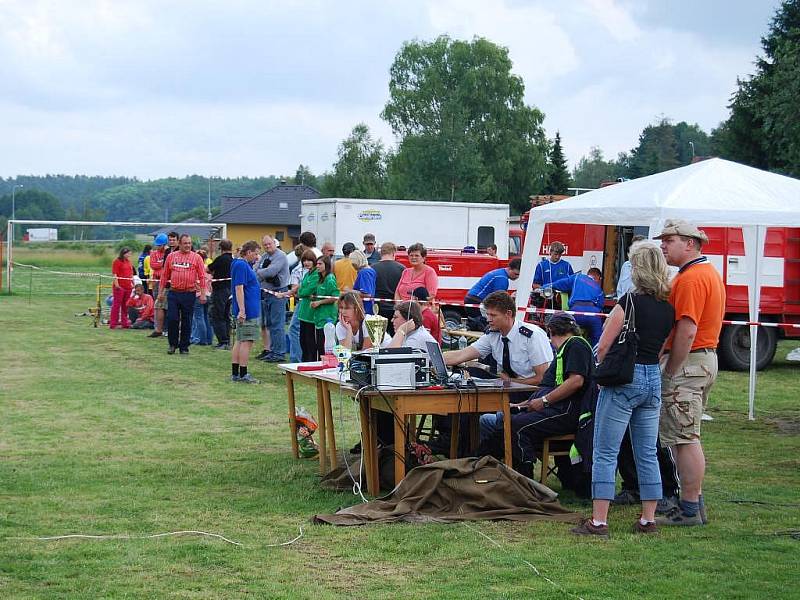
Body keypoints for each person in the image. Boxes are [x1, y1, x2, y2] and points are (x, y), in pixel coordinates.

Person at [571, 242, 675, 538]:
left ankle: (599, 521)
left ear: (637, 269)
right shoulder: (667, 308)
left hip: (623, 380)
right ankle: (648, 518)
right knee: (647, 452)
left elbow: (603, 345)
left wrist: (599, 369)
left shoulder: (628, 302)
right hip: (652, 377)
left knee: (605, 450)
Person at [655, 220, 725, 527]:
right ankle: (693, 502)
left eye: (669, 240)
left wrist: (671, 368)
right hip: (702, 360)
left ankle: (689, 507)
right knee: (686, 434)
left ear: (690, 244)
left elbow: (687, 328)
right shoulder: (704, 273)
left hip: (689, 362)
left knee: (684, 437)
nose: (663, 246)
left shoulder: (691, 279)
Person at [444, 291, 552, 440]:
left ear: (508, 314)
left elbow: (542, 378)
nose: (488, 319)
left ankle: (475, 448)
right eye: (487, 314)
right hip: (509, 389)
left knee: (474, 401)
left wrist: (511, 382)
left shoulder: (531, 335)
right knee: (467, 391)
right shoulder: (494, 335)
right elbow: (461, 355)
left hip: (532, 394)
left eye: (493, 315)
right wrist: (430, 358)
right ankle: (461, 447)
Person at [509, 313, 593, 480]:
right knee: (504, 421)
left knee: (516, 425)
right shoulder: (565, 349)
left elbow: (576, 381)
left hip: (567, 411)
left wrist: (544, 401)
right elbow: (546, 388)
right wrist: (523, 404)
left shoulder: (575, 345)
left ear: (550, 330)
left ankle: (525, 481)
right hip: (559, 407)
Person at [158, 234, 207, 355]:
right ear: (179, 244)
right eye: (185, 243)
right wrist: (161, 292)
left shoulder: (196, 258)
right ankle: (172, 344)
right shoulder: (171, 257)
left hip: (189, 293)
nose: (188, 245)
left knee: (187, 320)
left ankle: (184, 346)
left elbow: (202, 276)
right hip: (174, 293)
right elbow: (165, 276)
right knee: (173, 319)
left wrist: (203, 294)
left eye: (189, 243)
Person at [543, 268, 605, 346]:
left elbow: (560, 284)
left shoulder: (577, 277)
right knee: (598, 339)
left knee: (566, 335)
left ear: (588, 274)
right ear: (599, 277)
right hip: (593, 315)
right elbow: (600, 306)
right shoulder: (599, 289)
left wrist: (544, 286)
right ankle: (595, 356)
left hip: (576, 312)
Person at [230, 240, 262, 383]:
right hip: (248, 311)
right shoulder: (242, 265)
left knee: (240, 340)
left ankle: (236, 373)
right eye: (256, 253)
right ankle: (243, 373)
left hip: (247, 309)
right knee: (246, 341)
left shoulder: (240, 264)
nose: (257, 256)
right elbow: (239, 288)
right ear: (248, 252)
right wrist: (242, 310)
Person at [297, 254, 339, 361]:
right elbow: (305, 291)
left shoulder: (330, 278)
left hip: (327, 317)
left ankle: (326, 366)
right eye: (317, 264)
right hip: (319, 317)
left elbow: (335, 297)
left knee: (325, 345)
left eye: (320, 264)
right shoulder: (321, 278)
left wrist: (320, 302)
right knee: (319, 345)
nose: (318, 266)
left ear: (327, 265)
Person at [256, 235, 290, 362]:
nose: (267, 246)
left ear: (274, 243)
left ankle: (279, 353)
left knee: (277, 324)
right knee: (269, 324)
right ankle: (272, 351)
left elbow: (272, 271)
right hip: (266, 293)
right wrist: (262, 272)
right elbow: (256, 270)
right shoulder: (265, 256)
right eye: (265, 245)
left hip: (278, 293)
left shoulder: (280, 256)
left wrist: (261, 272)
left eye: (269, 244)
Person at [463, 259, 521, 328]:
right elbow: (501, 300)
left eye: (519, 275)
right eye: (516, 274)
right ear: (509, 268)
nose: (517, 277)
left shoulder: (499, 273)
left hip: (472, 299)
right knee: (492, 326)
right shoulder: (502, 278)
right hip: (476, 301)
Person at [282, 244, 308, 363]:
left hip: (303, 303)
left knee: (293, 329)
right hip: (312, 303)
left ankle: (295, 360)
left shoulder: (297, 270)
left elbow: (294, 289)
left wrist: (285, 293)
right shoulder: (315, 268)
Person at [373, 242, 405, 334]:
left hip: (377, 309)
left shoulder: (372, 268)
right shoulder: (402, 269)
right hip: (395, 309)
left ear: (380, 253)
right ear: (394, 253)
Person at [207, 239, 233, 350]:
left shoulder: (220, 259)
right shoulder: (233, 260)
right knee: (227, 315)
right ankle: (227, 340)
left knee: (218, 315)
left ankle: (222, 341)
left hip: (220, 291)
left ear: (220, 248)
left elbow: (208, 269)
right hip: (230, 290)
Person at [148, 234, 168, 338]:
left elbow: (167, 265)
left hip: (166, 284)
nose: (157, 247)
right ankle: (158, 328)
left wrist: (162, 263)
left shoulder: (169, 253)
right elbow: (153, 265)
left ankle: (165, 328)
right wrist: (162, 263)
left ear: (165, 245)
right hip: (157, 282)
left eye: (159, 245)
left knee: (166, 307)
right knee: (157, 306)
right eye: (157, 245)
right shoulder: (153, 253)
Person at [110, 247, 134, 329]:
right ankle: (113, 323)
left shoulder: (128, 262)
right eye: (128, 253)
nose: (129, 255)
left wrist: (132, 282)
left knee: (125, 305)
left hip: (128, 286)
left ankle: (125, 322)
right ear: (124, 253)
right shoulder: (117, 262)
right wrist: (117, 285)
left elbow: (130, 273)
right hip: (120, 287)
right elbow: (115, 274)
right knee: (116, 305)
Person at [190, 268, 213, 346]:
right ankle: (209, 339)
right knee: (207, 318)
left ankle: (202, 340)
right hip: (208, 295)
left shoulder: (195, 272)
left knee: (199, 318)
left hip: (198, 295)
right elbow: (210, 285)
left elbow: (193, 283)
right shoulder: (208, 273)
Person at [350, 250, 377, 316]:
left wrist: (350, 291)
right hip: (370, 307)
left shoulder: (364, 273)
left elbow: (367, 294)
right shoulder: (371, 270)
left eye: (353, 264)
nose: (352, 266)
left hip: (364, 308)